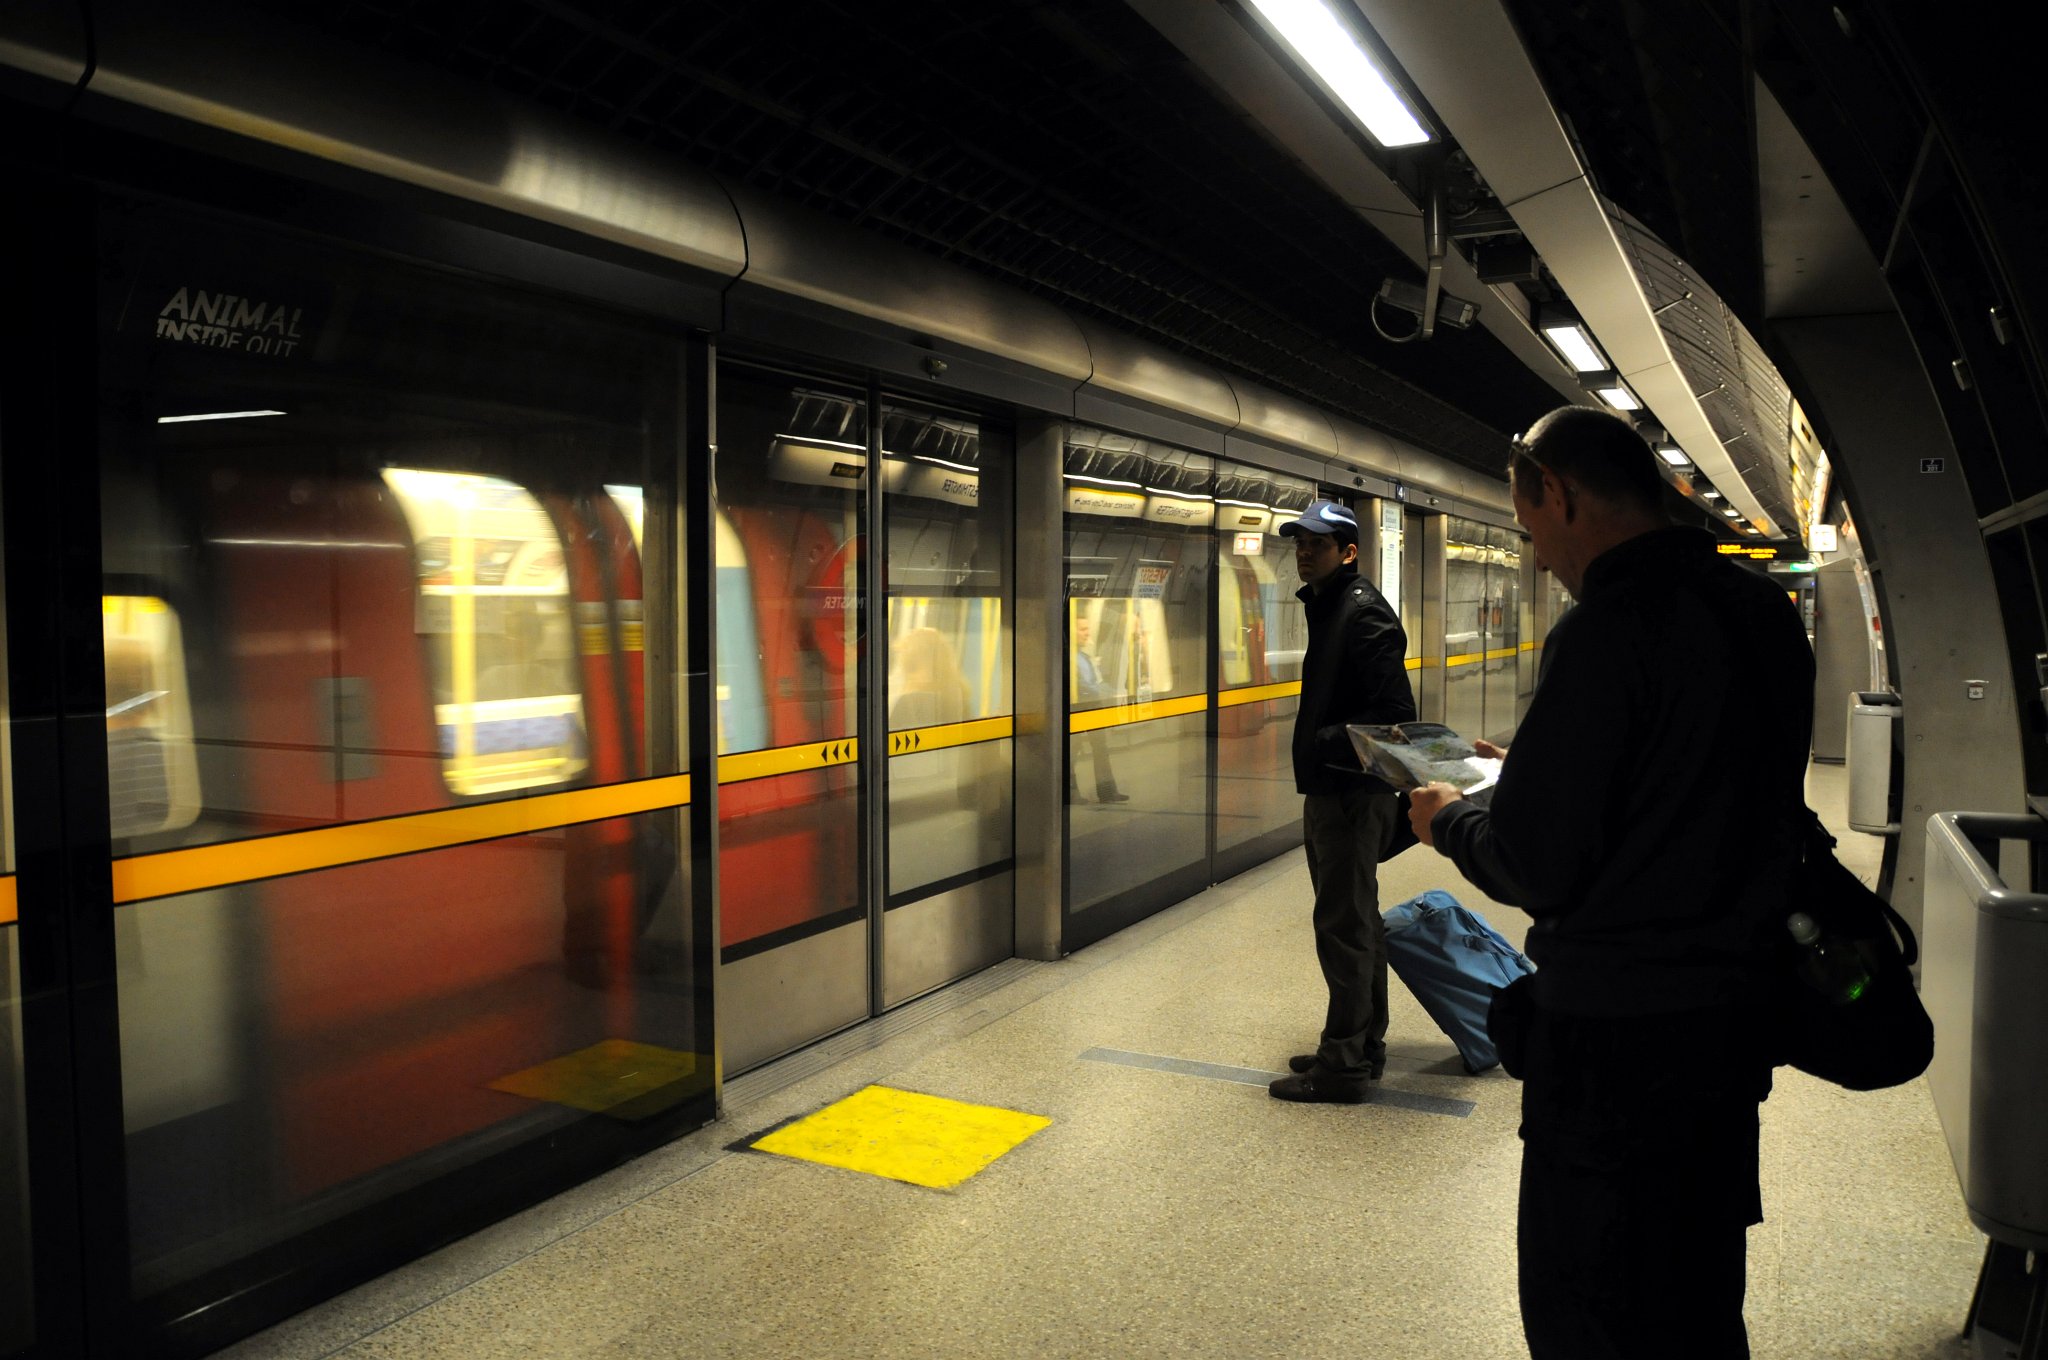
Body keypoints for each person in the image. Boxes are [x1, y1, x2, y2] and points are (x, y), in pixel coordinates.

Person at [1408, 406, 1814, 1358]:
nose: (1539, 556)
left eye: (1530, 528)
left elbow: (1538, 863)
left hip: (1614, 1053)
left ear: (1558, 492)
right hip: (1727, 1031)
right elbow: (1690, 787)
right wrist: (1534, 767)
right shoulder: (1763, 614)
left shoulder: (1607, 629)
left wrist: (1452, 818)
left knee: (1590, 1309)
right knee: (1699, 1299)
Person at [1268, 498, 1415, 1103]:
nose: (1305, 551)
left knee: (1344, 925)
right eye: (1300, 541)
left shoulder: (1364, 616)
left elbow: (1395, 717)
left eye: (1318, 544)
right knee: (1356, 921)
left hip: (1350, 795)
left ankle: (1344, 1065)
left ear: (1348, 552)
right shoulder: (1333, 607)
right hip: (1336, 788)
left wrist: (1324, 743)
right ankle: (1362, 1043)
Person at [1071, 610, 1128, 803]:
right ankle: (1071, 792)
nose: (1087, 633)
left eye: (1088, 629)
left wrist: (1115, 691)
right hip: (1077, 707)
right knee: (1073, 748)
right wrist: (1112, 692)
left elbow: (1096, 681)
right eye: (1083, 629)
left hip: (1091, 705)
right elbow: (1087, 684)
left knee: (1100, 747)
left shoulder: (1084, 657)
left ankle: (1107, 790)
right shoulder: (1072, 658)